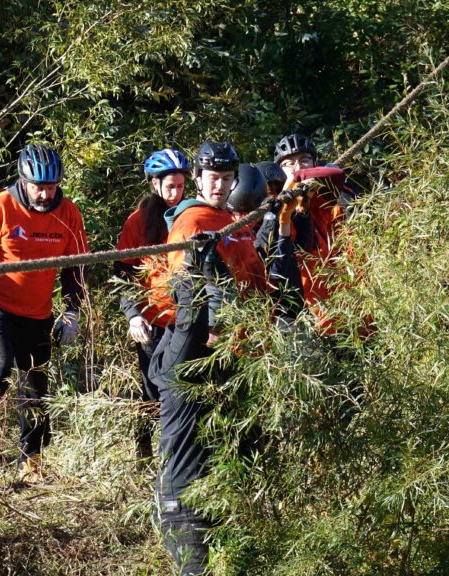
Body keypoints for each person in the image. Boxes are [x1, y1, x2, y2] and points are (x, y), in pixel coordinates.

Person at [149, 141, 303, 575]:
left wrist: (280, 228)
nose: (218, 185)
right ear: (197, 179)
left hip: (240, 355)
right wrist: (205, 287)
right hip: (202, 350)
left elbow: (269, 292)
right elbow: (185, 297)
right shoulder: (193, 220)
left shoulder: (234, 223)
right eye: (211, 177)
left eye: (225, 177)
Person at [0, 143, 88, 484]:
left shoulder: (68, 213)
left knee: (34, 386)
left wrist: (72, 312)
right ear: (23, 180)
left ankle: (32, 461)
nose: (44, 194)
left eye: (51, 187)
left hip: (38, 313)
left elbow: (76, 269)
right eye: (38, 186)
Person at [114, 148, 192, 459]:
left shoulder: (192, 215)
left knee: (183, 387)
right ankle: (144, 450)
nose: (176, 193)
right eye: (170, 187)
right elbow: (122, 271)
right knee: (151, 388)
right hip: (153, 319)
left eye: (181, 186)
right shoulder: (138, 222)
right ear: (154, 185)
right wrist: (132, 315)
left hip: (186, 318)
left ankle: (177, 453)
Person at [272, 133, 356, 332]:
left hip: (341, 294)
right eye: (289, 164)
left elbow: (334, 174)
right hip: (306, 299)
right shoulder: (276, 203)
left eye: (304, 160)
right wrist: (290, 187)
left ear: (315, 162)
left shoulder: (326, 195)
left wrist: (298, 179)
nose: (298, 167)